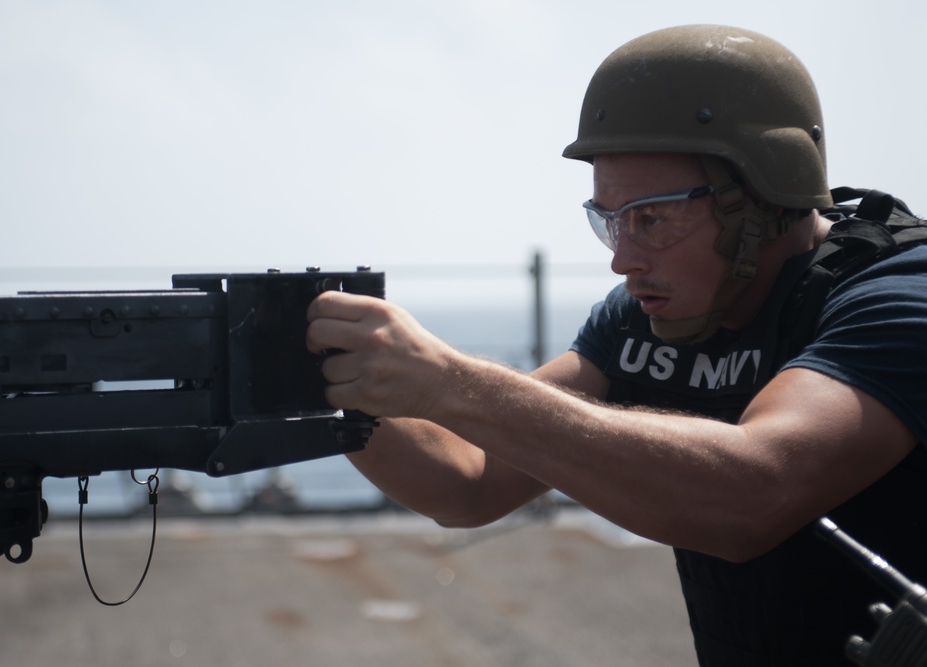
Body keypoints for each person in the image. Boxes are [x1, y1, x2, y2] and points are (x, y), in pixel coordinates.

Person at [306, 24, 927, 665]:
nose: (623, 261)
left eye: (652, 219)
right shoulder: (646, 317)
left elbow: (753, 492)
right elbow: (470, 483)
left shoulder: (898, 296)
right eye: (611, 222)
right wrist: (330, 383)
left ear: (760, 203)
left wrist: (447, 381)